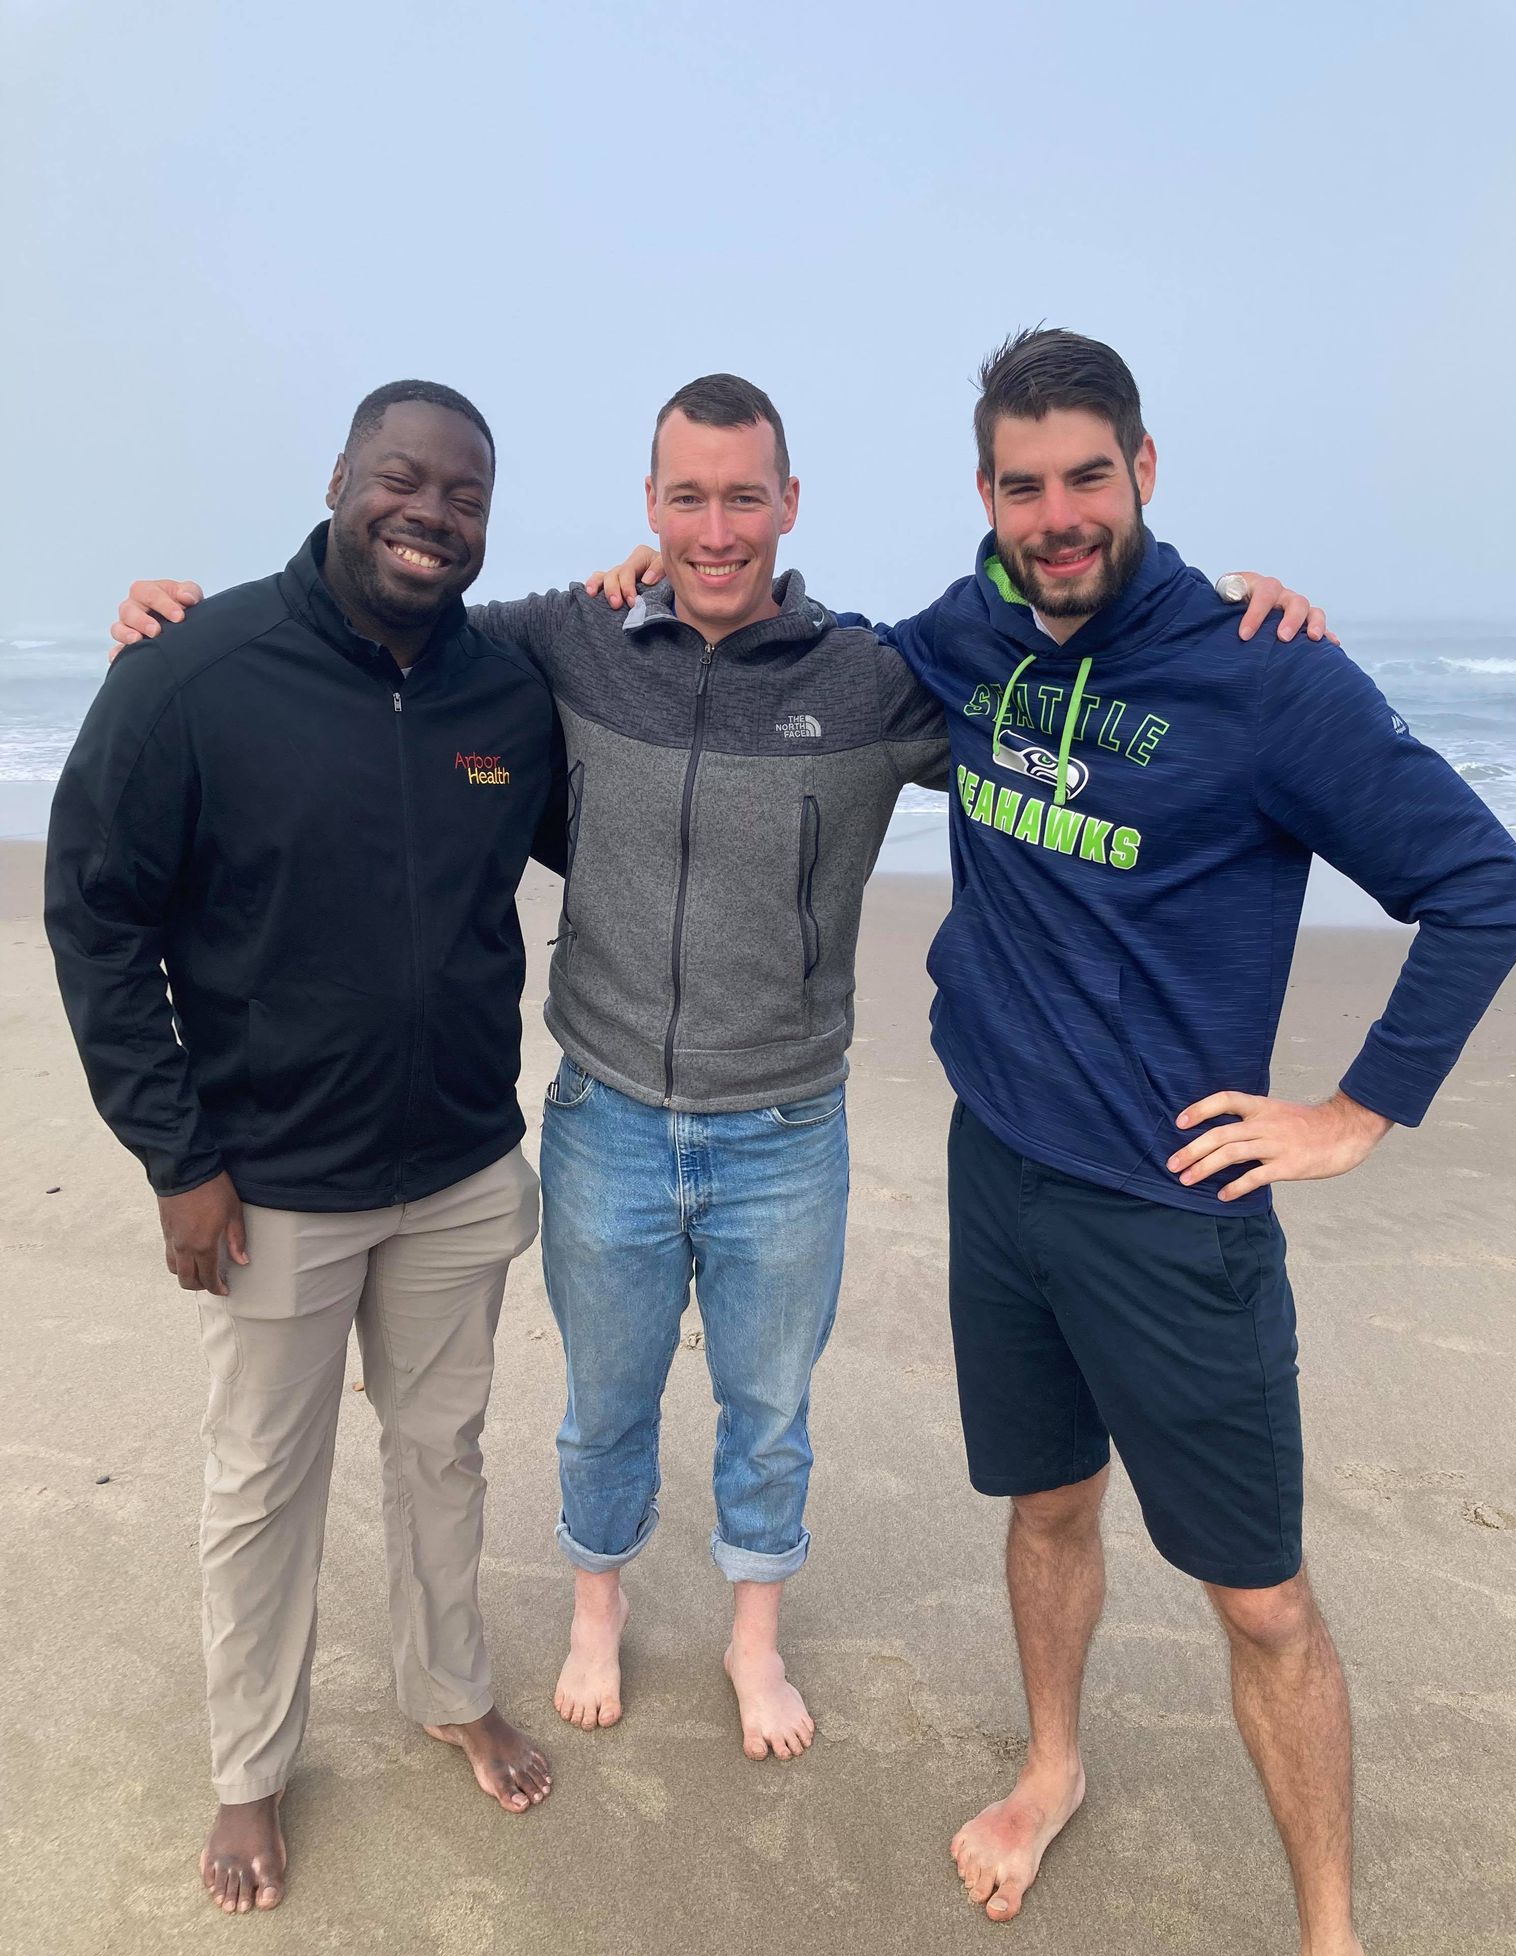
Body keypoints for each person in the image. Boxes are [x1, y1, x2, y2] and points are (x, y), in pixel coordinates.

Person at [109, 373, 1321, 1765]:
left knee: (769, 1415)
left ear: (789, 504)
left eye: (745, 497)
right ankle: (597, 1612)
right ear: (651, 505)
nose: (717, 528)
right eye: (688, 498)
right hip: (605, 1114)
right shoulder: (571, 642)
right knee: (602, 1409)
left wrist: (1221, 618)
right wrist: (186, 622)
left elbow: (1053, 681)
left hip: (786, 1129)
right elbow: (384, 626)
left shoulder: (868, 679)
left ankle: (755, 1639)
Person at [871, 329, 1516, 1956]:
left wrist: (1355, 1113)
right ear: (987, 497)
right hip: (996, 1173)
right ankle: (1052, 1766)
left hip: (1173, 1218)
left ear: (1145, 470)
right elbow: (805, 659)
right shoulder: (970, 635)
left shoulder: (1266, 673)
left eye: (1089, 476)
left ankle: (1332, 1955)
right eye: (1026, 486)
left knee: (1263, 1601)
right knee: (1046, 1507)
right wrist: (649, 577)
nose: (1059, 516)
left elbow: (1483, 885)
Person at [51, 382, 564, 1917]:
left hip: (458, 1167)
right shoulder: (192, 675)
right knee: (263, 1486)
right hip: (267, 1182)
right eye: (403, 478)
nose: (431, 515)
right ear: (341, 476)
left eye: (465, 496)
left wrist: (638, 596)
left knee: (443, 1455)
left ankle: (450, 1690)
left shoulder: (506, 696)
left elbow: (622, 818)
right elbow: (96, 917)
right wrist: (173, 1154)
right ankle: (250, 1769)